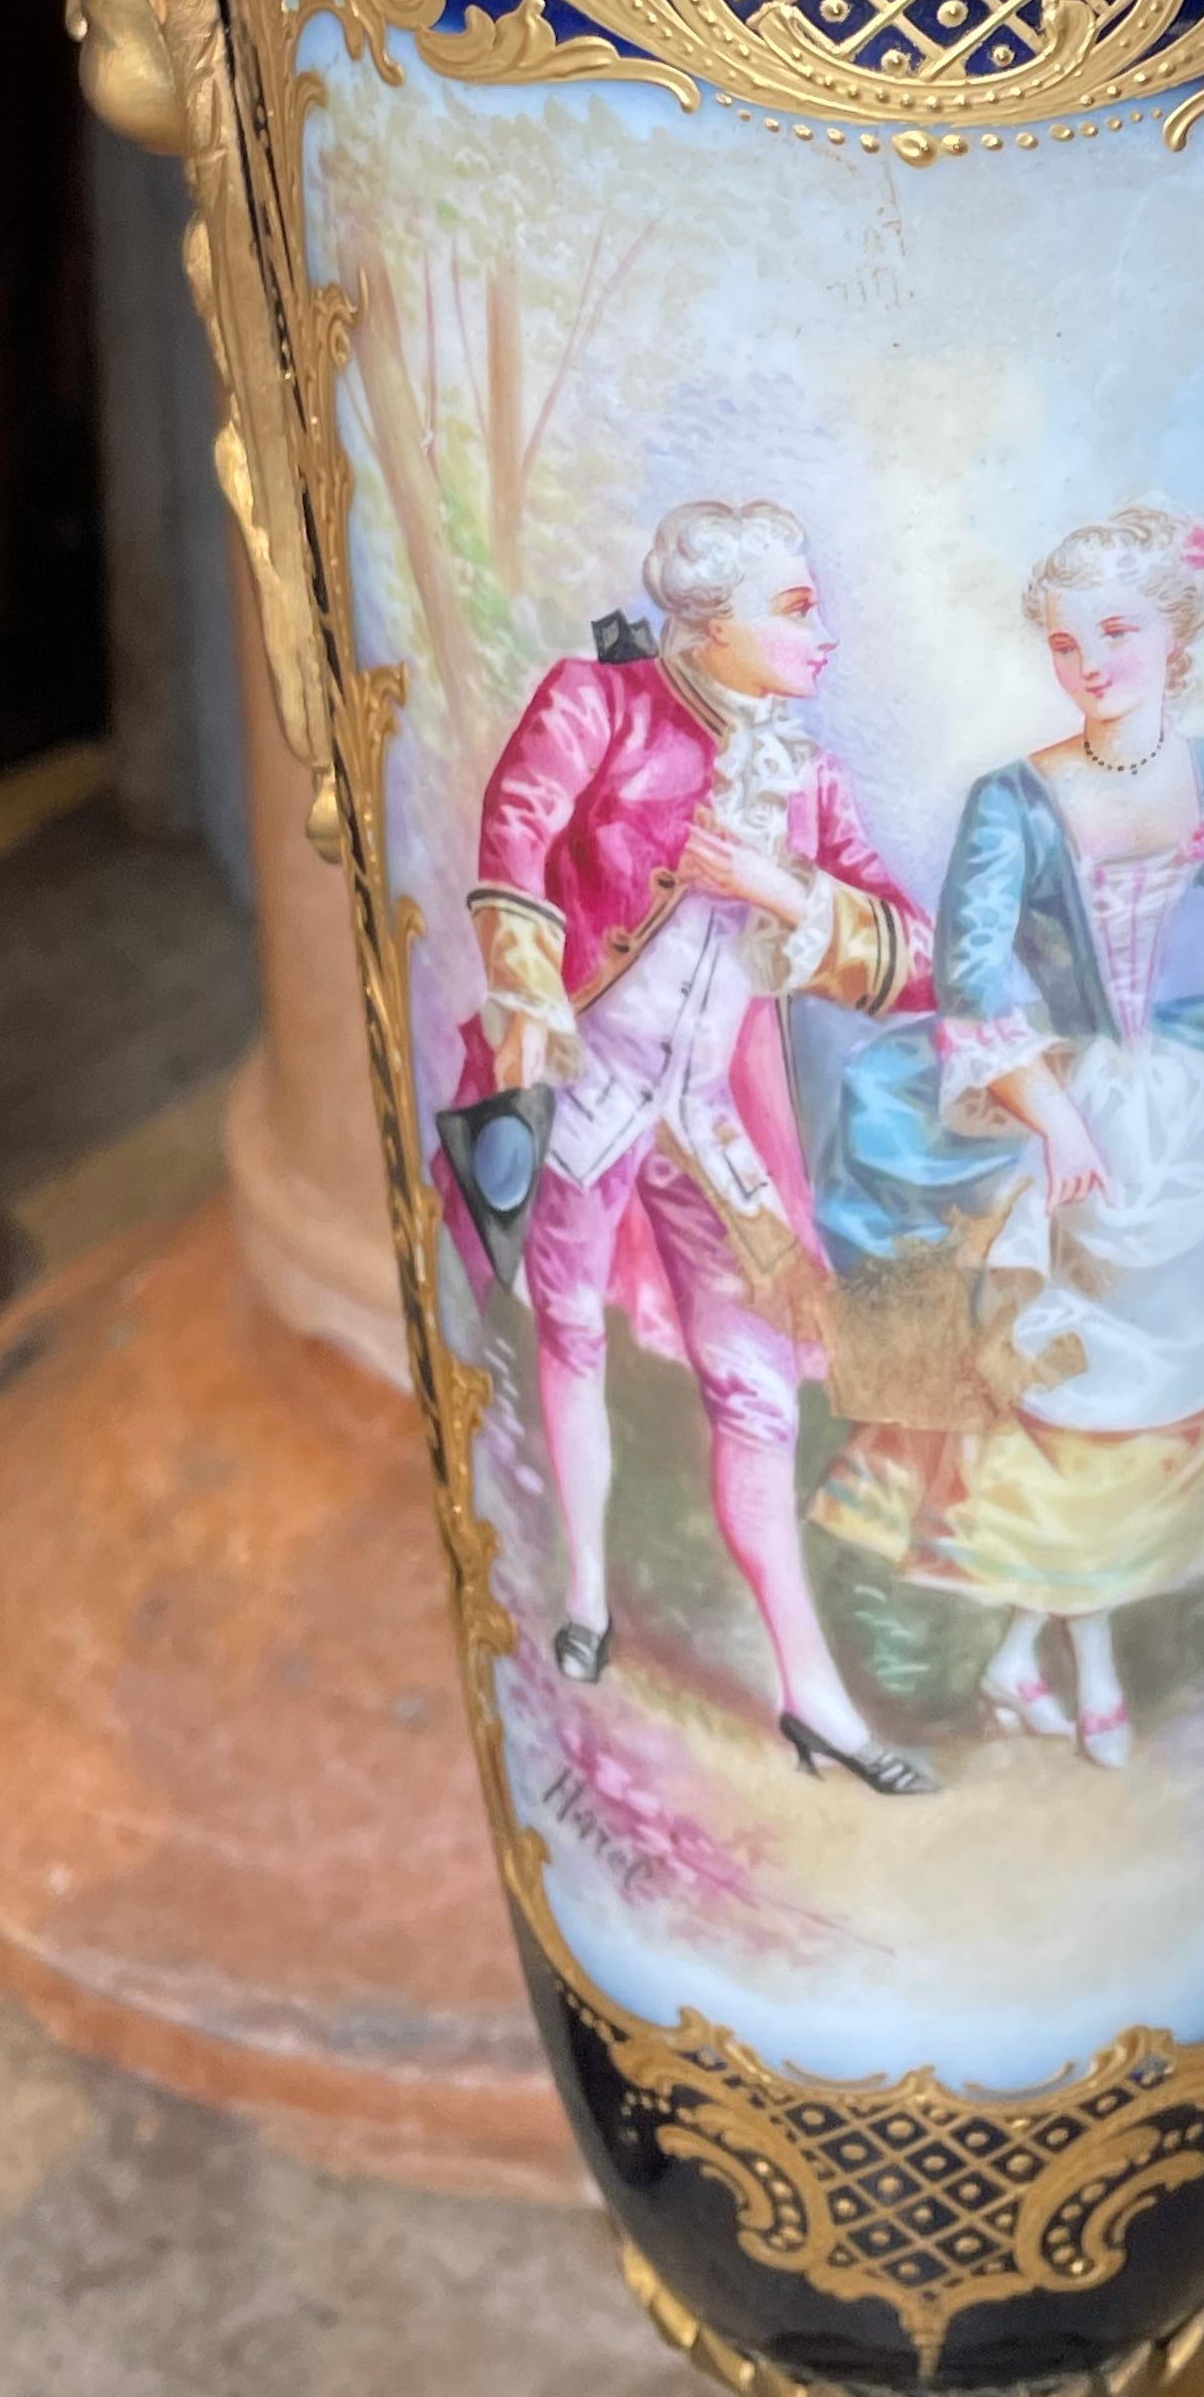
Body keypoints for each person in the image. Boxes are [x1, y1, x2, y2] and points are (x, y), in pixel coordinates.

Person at [812, 504, 1204, 1766]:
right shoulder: (1014, 800)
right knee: (1066, 1402)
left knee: (1149, 1403)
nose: (1090, 663)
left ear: (1175, 637)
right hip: (1040, 1093)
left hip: (1170, 1104)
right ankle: (1086, 1671)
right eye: (1065, 642)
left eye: (1116, 633)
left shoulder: (1199, 777)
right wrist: (1051, 1119)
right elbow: (974, 978)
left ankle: (1028, 1660)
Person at [451, 497, 937, 1793]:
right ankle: (587, 1592)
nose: (823, 635)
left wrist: (778, 886)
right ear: (712, 625)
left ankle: (811, 1696)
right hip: (584, 1092)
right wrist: (529, 1006)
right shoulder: (598, 704)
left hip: (712, 1125)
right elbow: (513, 835)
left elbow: (919, 962)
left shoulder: (804, 780)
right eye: (796, 610)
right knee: (568, 1329)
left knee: (759, 1388)